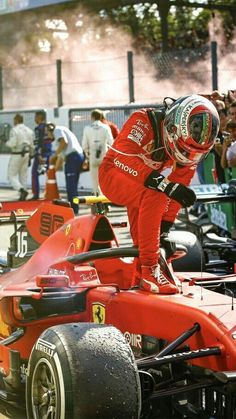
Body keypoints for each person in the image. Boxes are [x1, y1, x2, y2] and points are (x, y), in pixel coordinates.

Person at [99, 95, 220, 294]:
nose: (188, 156)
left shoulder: (189, 146)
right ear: (174, 126)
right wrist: (163, 185)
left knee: (152, 223)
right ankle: (150, 268)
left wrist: (164, 229)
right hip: (115, 173)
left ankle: (144, 272)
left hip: (140, 183)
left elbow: (178, 188)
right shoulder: (143, 121)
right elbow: (122, 157)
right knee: (158, 192)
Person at [47, 123, 84, 214]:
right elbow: (61, 156)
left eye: (47, 133)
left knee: (71, 186)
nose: (48, 136)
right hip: (74, 157)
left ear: (50, 130)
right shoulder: (61, 131)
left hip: (73, 157)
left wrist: (54, 156)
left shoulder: (57, 130)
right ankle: (74, 209)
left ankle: (73, 210)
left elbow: (64, 142)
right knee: (72, 186)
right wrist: (53, 170)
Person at [82, 109, 113, 195]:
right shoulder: (106, 127)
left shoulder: (87, 128)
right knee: (105, 180)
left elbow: (84, 145)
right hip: (104, 156)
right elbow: (111, 142)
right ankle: (106, 200)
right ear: (100, 117)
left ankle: (97, 200)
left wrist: (87, 155)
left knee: (95, 181)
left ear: (92, 117)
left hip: (93, 156)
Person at [6, 113, 34, 200]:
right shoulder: (29, 130)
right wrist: (31, 155)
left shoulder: (15, 130)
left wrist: (6, 142)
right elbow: (32, 145)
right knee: (23, 175)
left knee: (11, 175)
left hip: (17, 154)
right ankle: (23, 195)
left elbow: (13, 143)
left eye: (14, 120)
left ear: (17, 120)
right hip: (26, 154)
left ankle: (21, 190)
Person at [31, 110, 53, 200]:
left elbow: (38, 142)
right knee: (48, 174)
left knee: (34, 174)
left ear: (39, 117)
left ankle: (36, 195)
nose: (34, 119)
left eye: (35, 117)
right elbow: (51, 139)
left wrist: (39, 155)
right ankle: (49, 194)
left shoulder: (38, 128)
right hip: (48, 153)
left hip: (41, 155)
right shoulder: (49, 127)